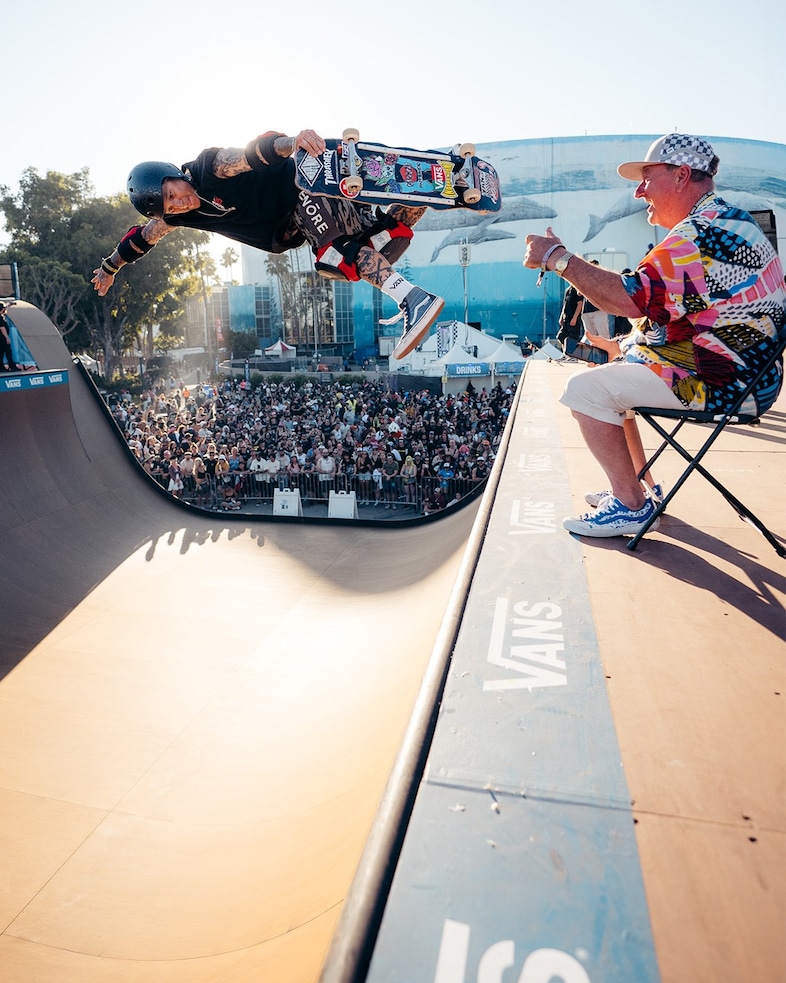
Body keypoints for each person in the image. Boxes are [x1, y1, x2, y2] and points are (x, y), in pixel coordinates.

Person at [524, 133, 786, 539]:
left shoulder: (699, 233)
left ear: (682, 175)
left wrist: (558, 259)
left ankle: (630, 506)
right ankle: (639, 487)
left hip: (728, 383)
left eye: (648, 178)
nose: (639, 191)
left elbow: (628, 299)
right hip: (747, 373)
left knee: (584, 391)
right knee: (618, 368)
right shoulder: (728, 220)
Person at [91, 129, 444, 360]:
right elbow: (142, 237)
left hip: (303, 188)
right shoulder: (179, 217)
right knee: (381, 240)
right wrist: (110, 268)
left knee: (336, 258)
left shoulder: (208, 168)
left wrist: (294, 142)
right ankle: (434, 184)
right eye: (170, 205)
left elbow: (254, 153)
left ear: (173, 175)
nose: (178, 203)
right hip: (302, 220)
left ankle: (413, 298)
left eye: (173, 194)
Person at [556, 283, 583, 354]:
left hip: (573, 318)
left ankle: (572, 355)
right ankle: (565, 353)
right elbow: (565, 304)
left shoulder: (577, 290)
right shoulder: (567, 290)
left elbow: (580, 304)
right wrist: (561, 316)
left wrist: (575, 318)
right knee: (561, 337)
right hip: (566, 318)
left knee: (572, 338)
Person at [0, 302, 19, 371]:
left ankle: (11, 365)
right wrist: (7, 337)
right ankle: (2, 367)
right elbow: (2, 328)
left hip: (3, 338)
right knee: (3, 351)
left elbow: (5, 308)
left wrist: (9, 304)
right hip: (2, 338)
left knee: (7, 351)